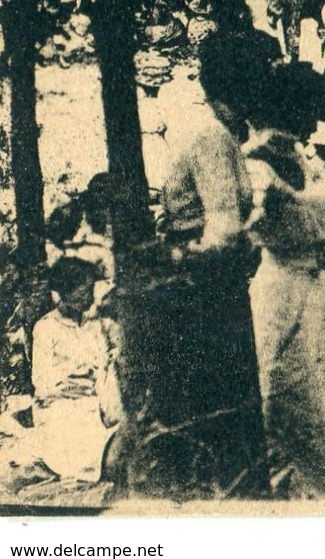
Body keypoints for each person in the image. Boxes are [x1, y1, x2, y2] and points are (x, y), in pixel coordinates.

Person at [116, 31, 271, 499]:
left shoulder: (212, 129)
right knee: (221, 424)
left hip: (201, 284)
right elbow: (222, 235)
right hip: (206, 292)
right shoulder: (211, 137)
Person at [243, 68, 325, 500]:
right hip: (279, 288)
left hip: (313, 288)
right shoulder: (255, 163)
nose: (313, 122)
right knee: (284, 398)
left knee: (324, 402)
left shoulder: (303, 159)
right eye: (307, 111)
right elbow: (244, 222)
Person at [24, 257, 119, 484]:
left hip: (98, 402)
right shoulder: (46, 328)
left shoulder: (95, 325)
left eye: (90, 290)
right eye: (83, 291)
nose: (89, 297)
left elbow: (105, 363)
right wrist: (77, 375)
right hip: (62, 409)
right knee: (87, 452)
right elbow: (42, 383)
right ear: (66, 292)